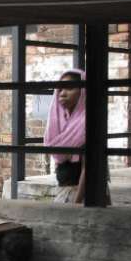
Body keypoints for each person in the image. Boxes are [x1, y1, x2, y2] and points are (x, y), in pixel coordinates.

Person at [44, 69, 86, 203]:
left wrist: (77, 203)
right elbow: (59, 161)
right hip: (64, 192)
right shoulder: (59, 124)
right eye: (60, 90)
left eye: (69, 88)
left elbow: (89, 169)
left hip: (84, 196)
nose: (62, 94)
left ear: (83, 91)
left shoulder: (88, 123)